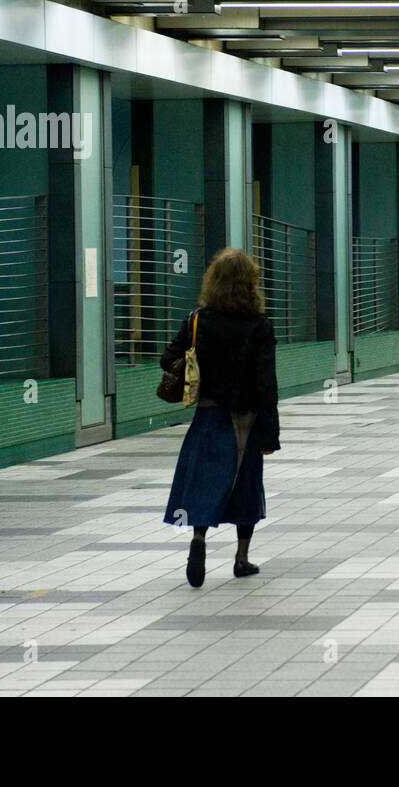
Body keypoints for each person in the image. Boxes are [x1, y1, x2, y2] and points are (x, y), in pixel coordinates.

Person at [161, 247, 280, 588]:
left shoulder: (197, 320)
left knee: (204, 479)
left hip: (208, 413)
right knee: (245, 486)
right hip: (245, 419)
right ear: (250, 285)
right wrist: (269, 435)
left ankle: (199, 537)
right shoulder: (259, 326)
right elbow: (266, 383)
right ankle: (241, 559)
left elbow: (167, 358)